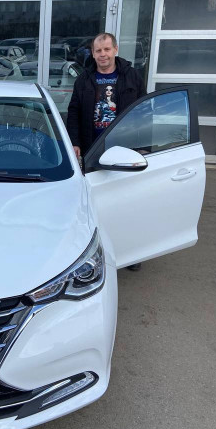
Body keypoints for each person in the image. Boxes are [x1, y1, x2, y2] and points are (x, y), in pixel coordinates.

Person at [66, 32, 146, 271]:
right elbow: (74, 111)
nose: (103, 55)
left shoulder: (131, 76)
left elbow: (144, 111)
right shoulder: (84, 79)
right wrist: (74, 142)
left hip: (124, 149)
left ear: (115, 50)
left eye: (107, 49)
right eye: (98, 50)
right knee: (96, 202)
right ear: (93, 53)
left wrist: (143, 144)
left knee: (128, 201)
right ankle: (95, 250)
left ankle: (131, 253)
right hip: (93, 149)